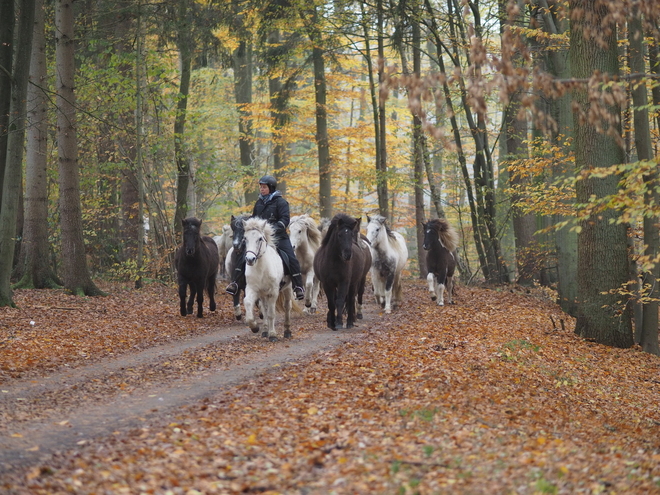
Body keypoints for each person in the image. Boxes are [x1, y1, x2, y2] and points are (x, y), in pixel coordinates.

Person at [225, 175, 305, 301]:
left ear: (271, 188)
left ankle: (298, 287)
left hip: (278, 237)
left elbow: (285, 219)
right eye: (261, 187)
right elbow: (254, 219)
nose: (262, 189)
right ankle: (234, 282)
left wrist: (272, 229)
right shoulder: (259, 203)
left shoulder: (281, 202)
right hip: (259, 237)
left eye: (264, 187)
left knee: (291, 258)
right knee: (243, 254)